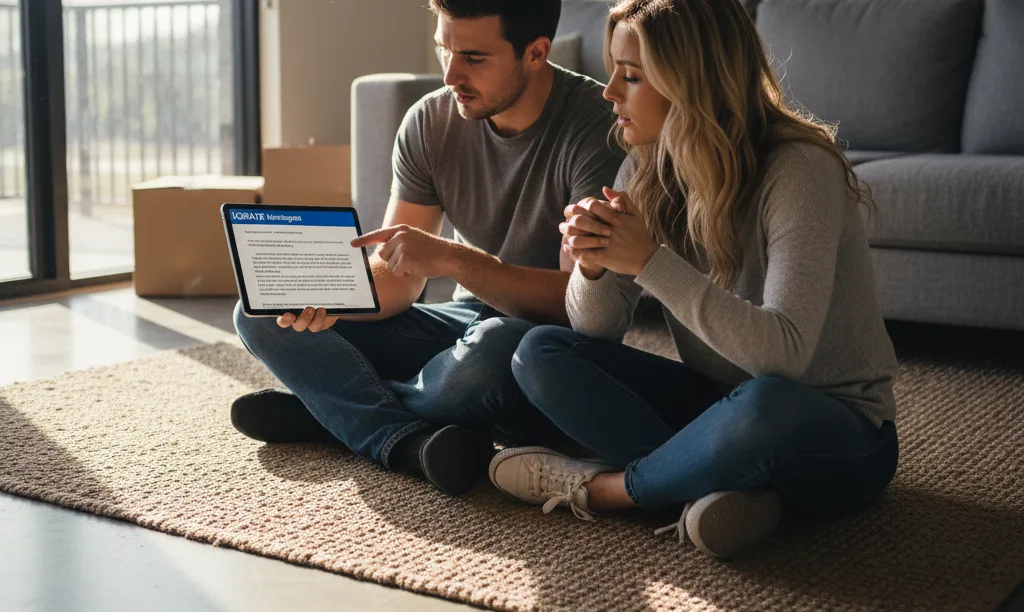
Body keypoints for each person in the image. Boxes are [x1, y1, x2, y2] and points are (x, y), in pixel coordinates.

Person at [488, 0, 900, 559]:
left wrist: (650, 261)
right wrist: (593, 265)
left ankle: (610, 490)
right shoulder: (647, 163)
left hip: (835, 426)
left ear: (693, 83)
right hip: (719, 404)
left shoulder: (800, 169)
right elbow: (598, 329)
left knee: (765, 404)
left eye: (630, 76)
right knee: (538, 351)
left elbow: (784, 358)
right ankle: (718, 488)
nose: (609, 91)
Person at [230, 0, 623, 496]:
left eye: (475, 58)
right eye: (444, 49)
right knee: (259, 311)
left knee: (490, 355)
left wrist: (452, 258)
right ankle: (405, 440)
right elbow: (398, 278)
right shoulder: (430, 122)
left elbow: (576, 311)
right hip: (462, 325)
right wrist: (333, 296)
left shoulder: (598, 131)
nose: (451, 74)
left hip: (540, 347)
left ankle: (330, 411)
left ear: (536, 53)